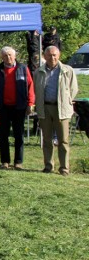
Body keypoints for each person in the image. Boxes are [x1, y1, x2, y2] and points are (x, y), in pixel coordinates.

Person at [34, 45, 78, 176]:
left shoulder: (67, 70)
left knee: (63, 140)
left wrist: (67, 100)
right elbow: (36, 89)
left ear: (59, 56)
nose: (52, 57)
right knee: (47, 139)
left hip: (62, 109)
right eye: (49, 55)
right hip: (45, 108)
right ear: (44, 56)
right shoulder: (39, 71)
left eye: (54, 55)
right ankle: (48, 166)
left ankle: (64, 168)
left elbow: (74, 89)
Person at [0, 46, 35, 169]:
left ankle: (18, 161)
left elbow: (30, 86)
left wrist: (30, 103)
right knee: (3, 135)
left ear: (15, 56)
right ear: (2, 57)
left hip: (19, 107)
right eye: (5, 56)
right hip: (3, 107)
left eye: (10, 55)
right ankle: (5, 161)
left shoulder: (23, 68)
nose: (8, 58)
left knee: (19, 135)